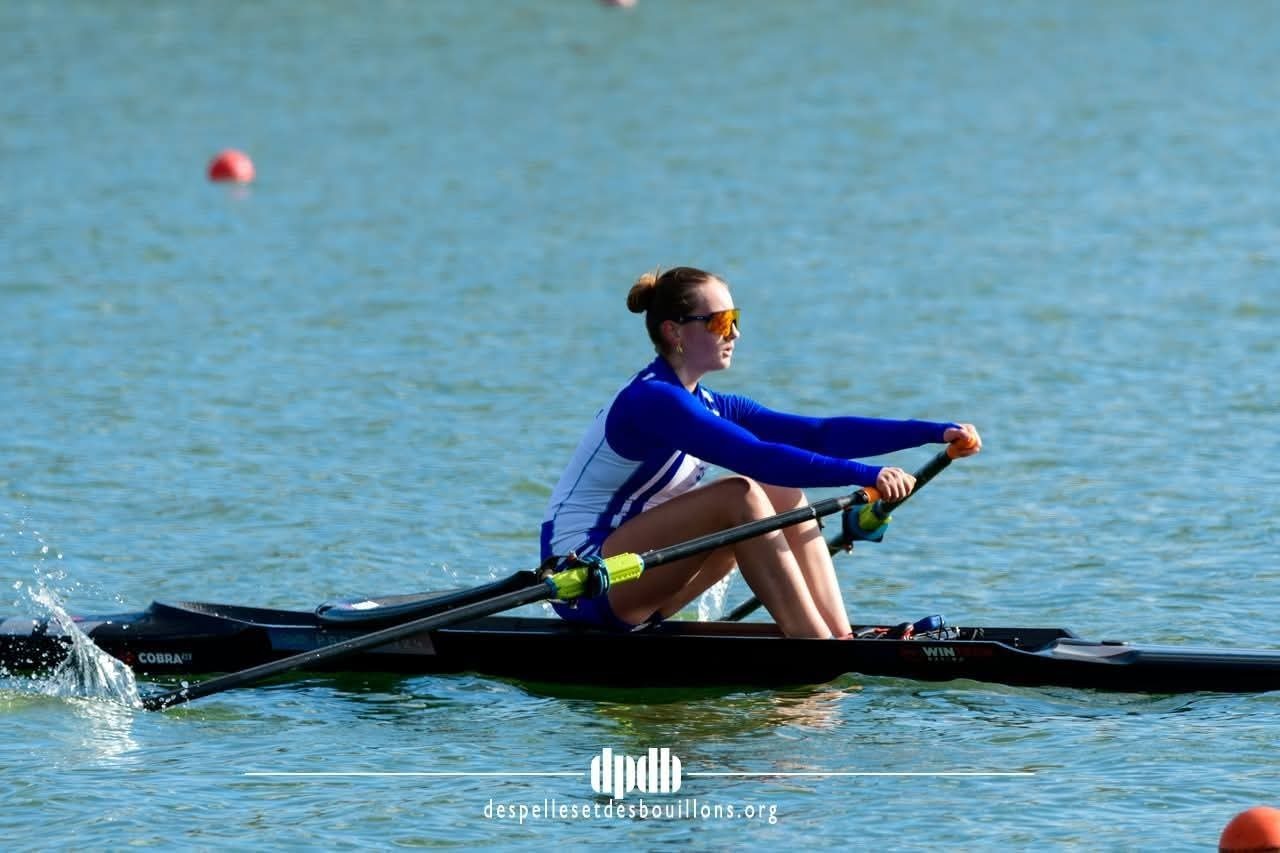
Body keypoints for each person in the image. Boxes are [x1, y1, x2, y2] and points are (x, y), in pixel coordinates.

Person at [540, 266, 981, 638]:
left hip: (646, 576)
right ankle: (818, 651)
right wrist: (868, 475)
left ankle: (837, 636)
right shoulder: (653, 400)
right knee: (740, 492)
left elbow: (820, 433)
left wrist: (934, 432)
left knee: (778, 489)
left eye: (735, 317)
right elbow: (754, 457)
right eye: (719, 320)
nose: (735, 332)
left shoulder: (712, 403)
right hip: (587, 579)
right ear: (674, 331)